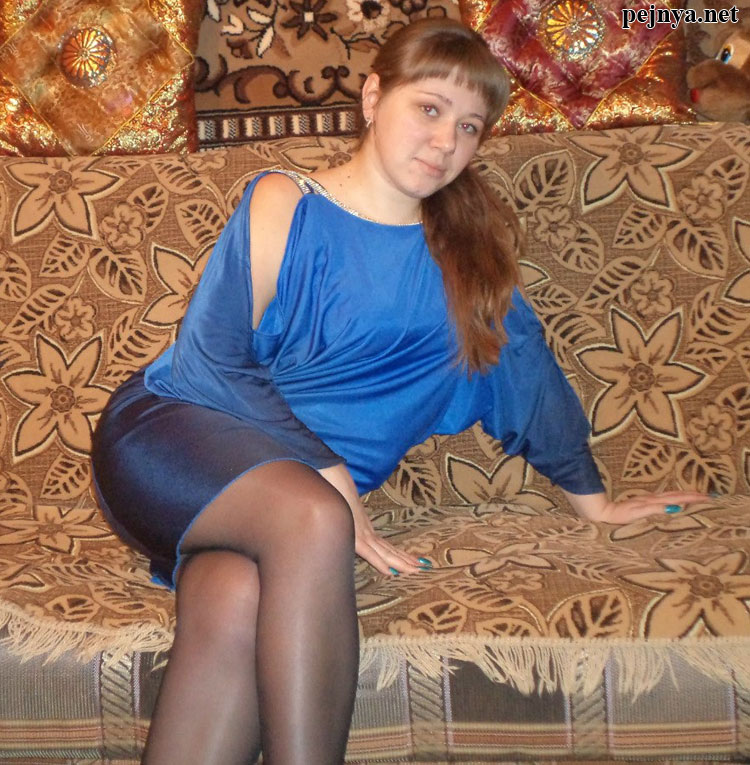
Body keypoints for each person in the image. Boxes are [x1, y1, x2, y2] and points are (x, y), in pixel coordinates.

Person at [90, 17, 707, 765]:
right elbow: (210, 362)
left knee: (234, 598)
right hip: (169, 441)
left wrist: (593, 500)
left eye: (469, 126)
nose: (446, 140)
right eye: (429, 108)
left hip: (274, 514)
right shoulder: (285, 201)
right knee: (315, 517)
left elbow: (529, 380)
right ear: (373, 97)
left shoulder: (470, 267)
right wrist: (329, 473)